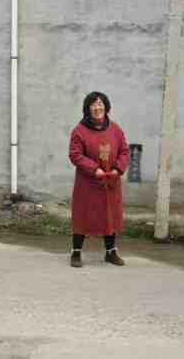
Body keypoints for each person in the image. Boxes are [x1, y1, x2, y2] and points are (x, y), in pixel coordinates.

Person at [68, 91, 130, 268]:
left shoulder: (115, 129)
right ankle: (76, 252)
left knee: (110, 216)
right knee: (82, 216)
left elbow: (124, 151)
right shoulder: (79, 131)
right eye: (94, 104)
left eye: (100, 104)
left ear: (106, 107)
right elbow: (75, 155)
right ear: (88, 108)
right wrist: (94, 169)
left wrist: (118, 168)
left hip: (110, 182)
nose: (98, 107)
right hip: (88, 183)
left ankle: (111, 252)